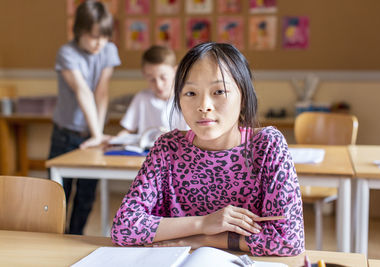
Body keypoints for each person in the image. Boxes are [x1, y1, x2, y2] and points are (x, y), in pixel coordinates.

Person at [111, 42, 304, 256]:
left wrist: (204, 240)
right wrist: (203, 224)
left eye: (219, 91)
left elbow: (288, 239)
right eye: (191, 93)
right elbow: (124, 227)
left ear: (243, 96)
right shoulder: (167, 147)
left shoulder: (267, 145)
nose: (204, 105)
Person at [48, 0, 120, 235]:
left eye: (104, 36)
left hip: (91, 134)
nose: (99, 42)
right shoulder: (66, 52)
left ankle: (73, 238)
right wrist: (97, 135)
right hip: (65, 134)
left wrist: (96, 135)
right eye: (93, 36)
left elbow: (101, 92)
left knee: (87, 196)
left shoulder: (108, 50)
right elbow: (83, 92)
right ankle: (54, 239)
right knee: (59, 194)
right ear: (79, 31)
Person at [117, 45, 188, 137]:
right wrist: (115, 141)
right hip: (148, 150)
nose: (158, 85)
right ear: (144, 74)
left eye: (163, 78)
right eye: (151, 79)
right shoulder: (142, 98)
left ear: (175, 71)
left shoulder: (187, 98)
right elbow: (127, 130)